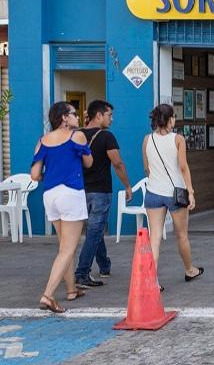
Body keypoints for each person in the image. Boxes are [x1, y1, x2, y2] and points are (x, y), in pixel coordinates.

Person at [31, 102, 93, 313]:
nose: (78, 117)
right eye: (74, 113)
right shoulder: (77, 136)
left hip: (50, 195)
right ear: (64, 118)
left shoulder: (42, 141)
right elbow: (89, 163)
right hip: (71, 193)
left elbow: (34, 175)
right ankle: (48, 295)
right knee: (68, 249)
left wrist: (51, 175)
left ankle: (71, 289)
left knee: (64, 247)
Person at [142, 104, 203, 288]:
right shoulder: (178, 139)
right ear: (169, 119)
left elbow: (147, 168)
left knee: (155, 238)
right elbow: (183, 167)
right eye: (174, 117)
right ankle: (189, 270)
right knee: (182, 235)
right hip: (175, 193)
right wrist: (190, 191)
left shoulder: (147, 140)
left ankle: (152, 281)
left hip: (153, 192)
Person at [74, 100, 132, 288]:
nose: (112, 119)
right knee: (94, 232)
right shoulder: (107, 136)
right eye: (109, 115)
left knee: (94, 229)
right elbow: (118, 163)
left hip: (80, 191)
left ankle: (104, 265)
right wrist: (127, 186)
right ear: (98, 115)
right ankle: (82, 273)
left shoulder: (77, 135)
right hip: (100, 191)